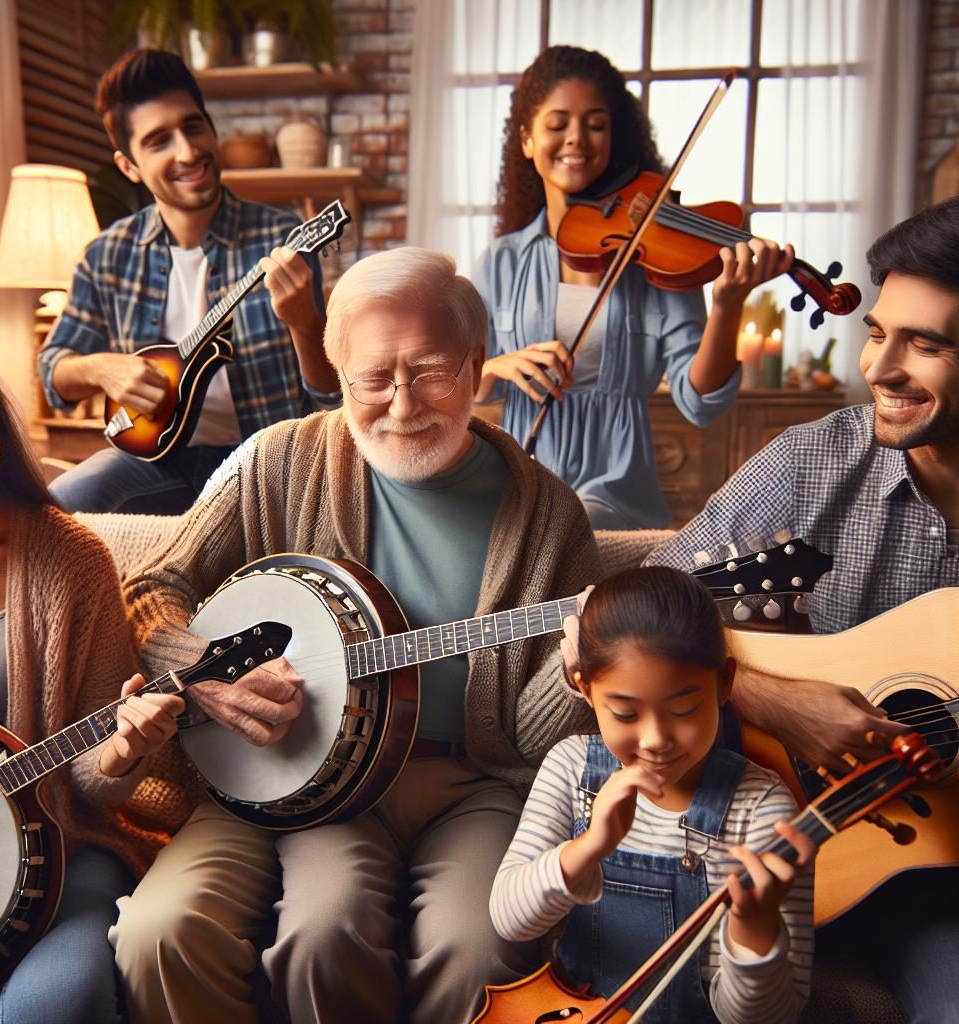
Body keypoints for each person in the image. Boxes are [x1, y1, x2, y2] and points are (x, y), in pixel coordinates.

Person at [111, 247, 603, 1024]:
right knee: (274, 932)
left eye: (431, 370)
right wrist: (203, 669)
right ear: (337, 372)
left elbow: (521, 738)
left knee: (476, 953)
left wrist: (579, 673)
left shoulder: (549, 514)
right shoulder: (278, 460)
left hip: (472, 784)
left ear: (478, 366)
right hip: (304, 765)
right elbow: (151, 587)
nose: (402, 403)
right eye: (373, 377)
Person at [646, 196, 959, 1022]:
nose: (879, 367)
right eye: (880, 332)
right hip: (819, 852)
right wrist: (776, 701)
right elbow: (639, 610)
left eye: (924, 343)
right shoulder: (814, 463)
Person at [0, 309, 185, 1023]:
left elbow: (105, 786)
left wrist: (121, 752)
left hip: (57, 852)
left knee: (57, 1001)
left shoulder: (69, 560)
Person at [472, 45, 793, 530]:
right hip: (522, 481)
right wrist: (497, 365)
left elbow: (699, 400)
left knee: (578, 532)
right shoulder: (502, 261)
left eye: (595, 124)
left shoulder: (655, 254)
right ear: (527, 139)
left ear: (613, 137)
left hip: (618, 491)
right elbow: (459, 386)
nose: (576, 138)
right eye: (557, 125)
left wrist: (727, 304)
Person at [491, 566, 814, 1023]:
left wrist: (755, 932)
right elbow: (509, 920)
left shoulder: (762, 812)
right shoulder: (570, 769)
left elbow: (763, 1019)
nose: (655, 739)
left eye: (683, 709)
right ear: (585, 689)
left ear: (724, 683)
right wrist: (589, 848)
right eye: (625, 714)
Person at [38, 48, 340, 515]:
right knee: (57, 507)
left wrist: (304, 323)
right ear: (129, 166)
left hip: (264, 464)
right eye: (159, 140)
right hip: (154, 461)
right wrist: (103, 369)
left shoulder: (280, 239)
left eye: (193, 126)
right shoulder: (108, 253)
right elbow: (53, 369)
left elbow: (330, 397)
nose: (188, 151)